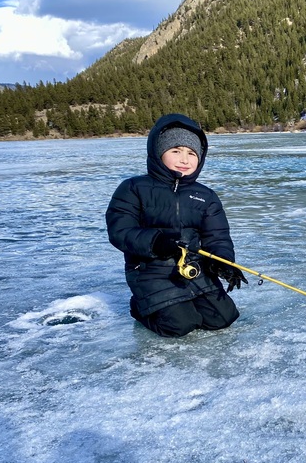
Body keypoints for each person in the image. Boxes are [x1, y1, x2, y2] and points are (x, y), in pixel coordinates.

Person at [106, 113, 247, 337]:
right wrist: (156, 242)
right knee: (180, 325)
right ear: (158, 152)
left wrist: (223, 262)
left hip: (194, 269)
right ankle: (141, 309)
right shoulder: (133, 188)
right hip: (150, 271)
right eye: (175, 151)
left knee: (223, 318)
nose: (184, 159)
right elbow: (119, 230)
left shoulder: (205, 196)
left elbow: (217, 237)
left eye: (192, 153)